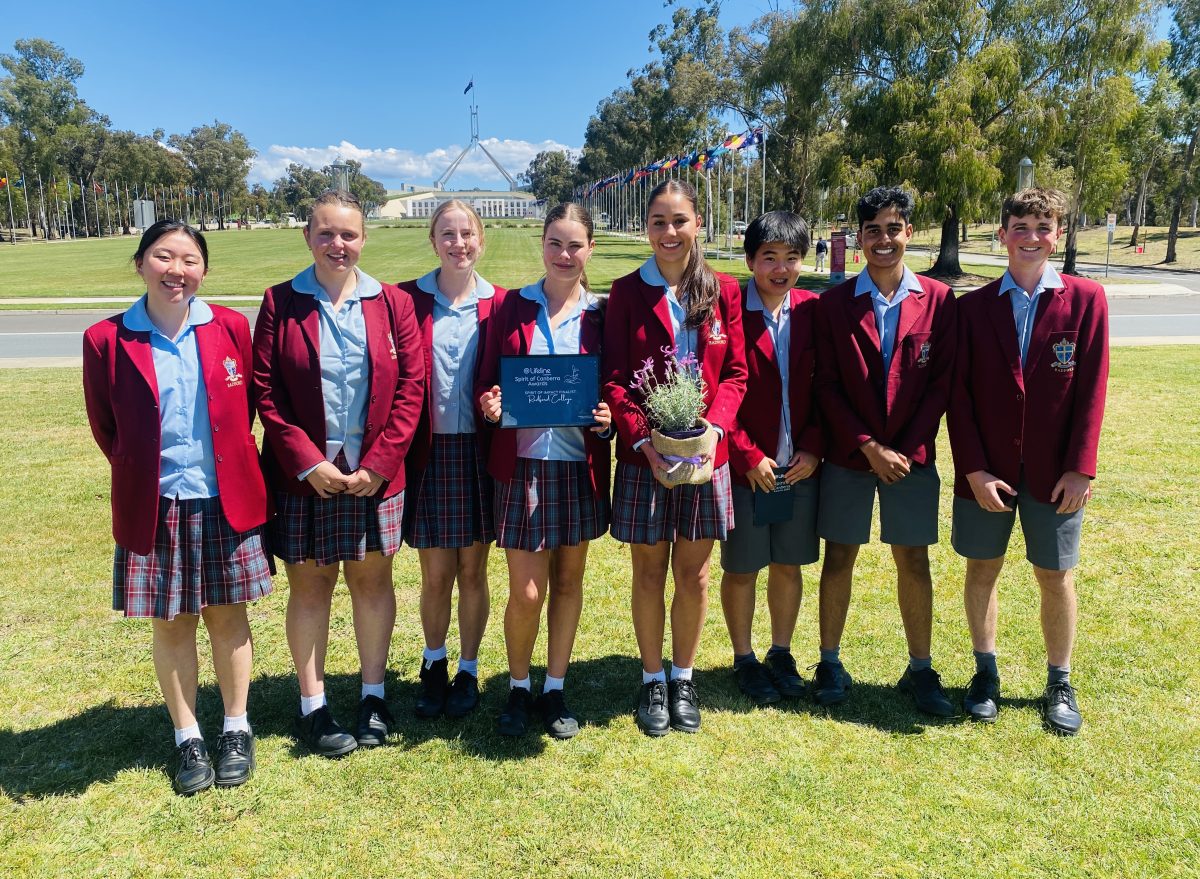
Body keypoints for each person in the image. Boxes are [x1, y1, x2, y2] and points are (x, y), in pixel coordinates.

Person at [82, 220, 273, 795]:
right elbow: (106, 426)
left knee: (228, 616)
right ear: (140, 263)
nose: (176, 271)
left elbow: (251, 408)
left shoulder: (232, 328)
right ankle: (187, 735)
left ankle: (235, 727)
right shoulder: (106, 339)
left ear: (204, 270)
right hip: (155, 501)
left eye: (189, 260)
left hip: (225, 498)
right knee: (172, 622)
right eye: (163, 257)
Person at [252, 189, 424, 757]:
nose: (337, 244)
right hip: (307, 478)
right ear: (307, 237)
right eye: (325, 233)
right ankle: (313, 704)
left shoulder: (393, 303)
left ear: (364, 238)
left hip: (375, 476)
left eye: (348, 234)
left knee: (373, 582)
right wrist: (307, 463)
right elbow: (267, 394)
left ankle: (373, 695)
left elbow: (411, 388)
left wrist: (379, 465)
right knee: (311, 587)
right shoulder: (280, 302)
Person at [948, 187, 1109, 735]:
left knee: (1055, 575)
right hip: (987, 473)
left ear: (1058, 235)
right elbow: (959, 397)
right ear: (1003, 235)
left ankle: (1059, 681)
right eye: (1021, 226)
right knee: (982, 570)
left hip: (1055, 473)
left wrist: (1080, 468)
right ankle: (985, 673)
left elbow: (1092, 390)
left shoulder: (1087, 301)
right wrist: (973, 469)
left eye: (1044, 227)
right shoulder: (971, 308)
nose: (1032, 237)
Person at [603, 179, 748, 736]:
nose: (669, 231)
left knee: (696, 573)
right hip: (646, 460)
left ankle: (683, 677)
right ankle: (651, 680)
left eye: (679, 220)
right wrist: (644, 440)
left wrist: (714, 429)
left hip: (709, 455)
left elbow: (734, 375)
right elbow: (616, 380)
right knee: (648, 574)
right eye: (659, 221)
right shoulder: (625, 292)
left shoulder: (723, 291)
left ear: (698, 225)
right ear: (647, 227)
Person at [811, 185, 956, 717]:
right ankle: (829, 661)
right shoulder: (834, 305)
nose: (884, 240)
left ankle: (920, 668)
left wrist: (906, 450)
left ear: (909, 233)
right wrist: (870, 446)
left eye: (893, 229)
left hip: (912, 459)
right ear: (860, 238)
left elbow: (941, 384)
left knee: (913, 560)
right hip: (851, 456)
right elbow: (826, 386)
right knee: (839, 556)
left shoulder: (939, 301)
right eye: (873, 231)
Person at [476, 203, 613, 739]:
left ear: (589, 250)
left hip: (578, 466)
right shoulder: (512, 307)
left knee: (569, 582)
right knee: (527, 593)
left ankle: (555, 687)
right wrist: (491, 404)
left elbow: (614, 392)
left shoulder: (601, 316)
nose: (564, 254)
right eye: (555, 243)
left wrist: (606, 421)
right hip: (522, 467)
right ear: (543, 245)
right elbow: (489, 382)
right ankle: (517, 686)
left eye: (574, 245)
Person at [397, 200, 503, 720]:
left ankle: (468, 668)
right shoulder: (405, 301)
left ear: (481, 240)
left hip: (480, 452)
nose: (458, 243)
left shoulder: (502, 304)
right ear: (432, 240)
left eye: (467, 234)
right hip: (428, 452)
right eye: (447, 234)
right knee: (436, 573)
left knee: (474, 570)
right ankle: (432, 663)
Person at [720, 211, 821, 706]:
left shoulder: (812, 312)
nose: (780, 269)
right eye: (769, 258)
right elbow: (718, 392)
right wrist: (746, 455)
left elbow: (829, 389)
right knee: (742, 567)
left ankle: (781, 651)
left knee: (788, 562)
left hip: (797, 466)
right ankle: (744, 657)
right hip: (746, 467)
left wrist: (814, 448)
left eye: (791, 258)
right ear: (750, 260)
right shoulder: (730, 310)